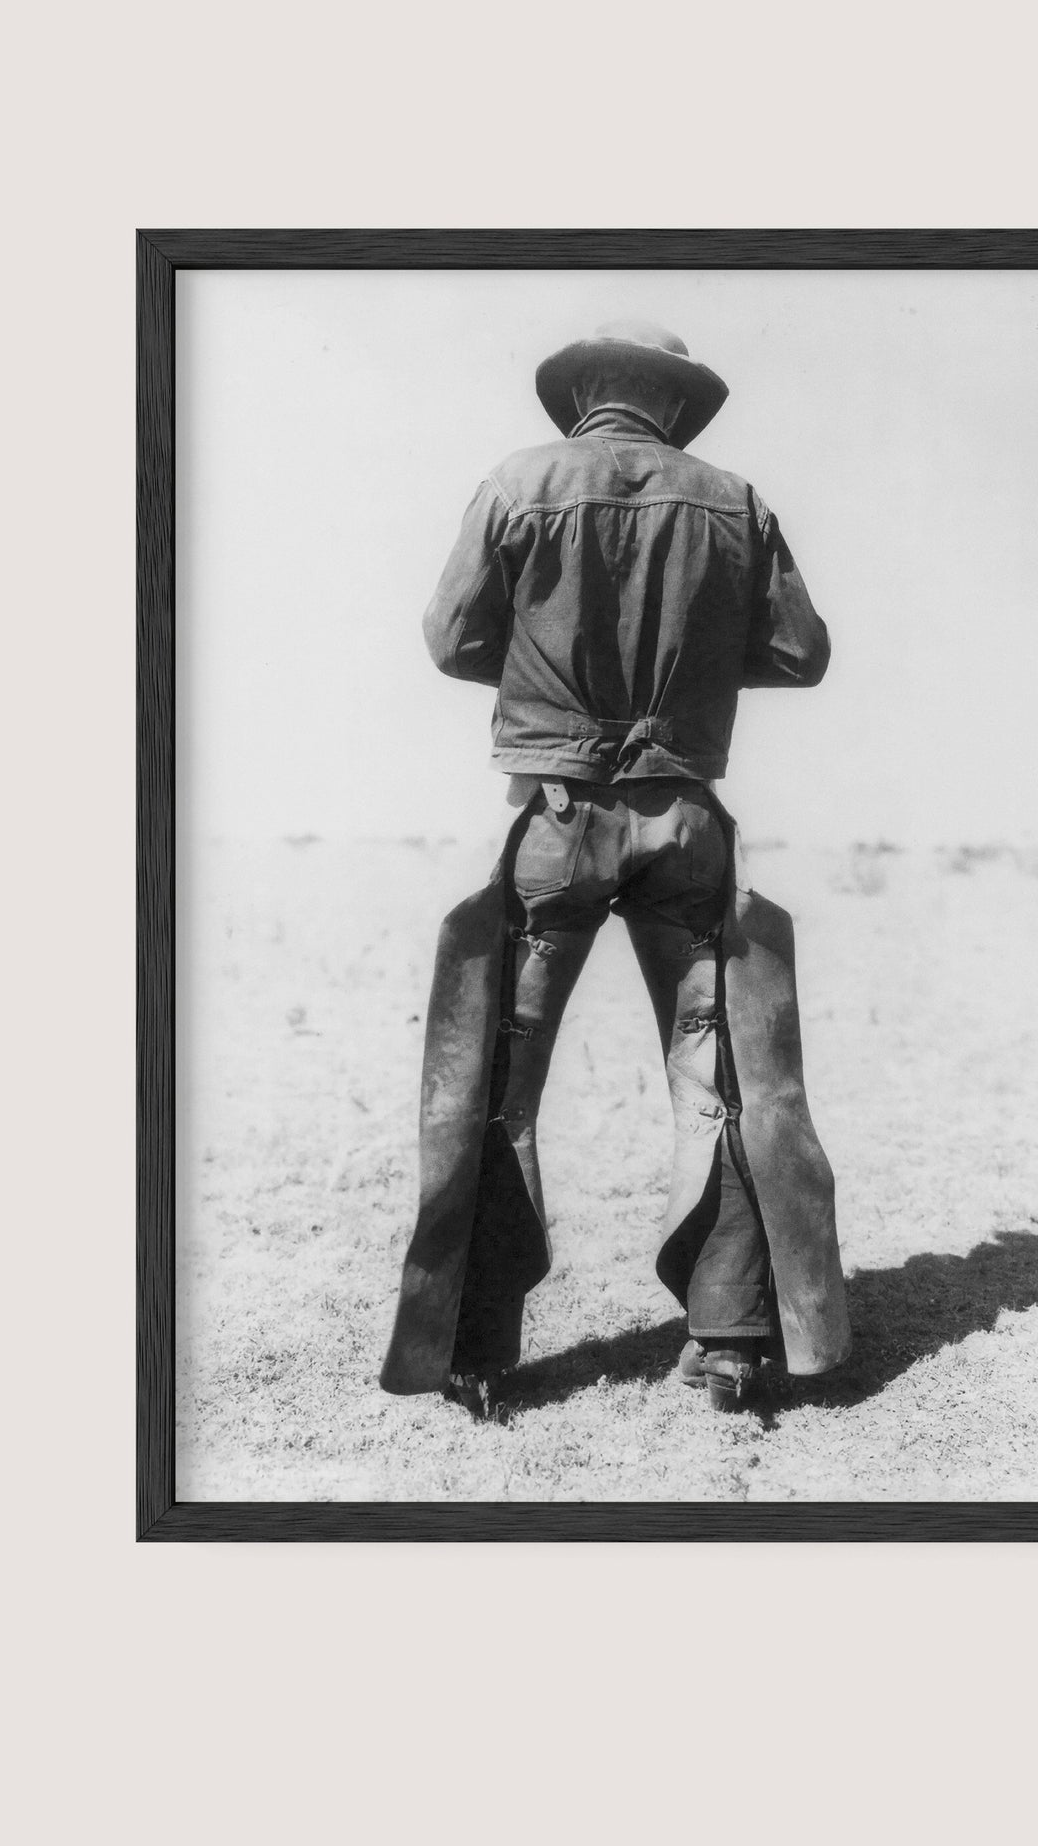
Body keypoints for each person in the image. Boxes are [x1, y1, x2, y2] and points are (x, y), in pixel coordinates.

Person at [379, 320, 850, 1414]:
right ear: (674, 404)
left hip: (553, 819)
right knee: (722, 1082)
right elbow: (799, 652)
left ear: (583, 394)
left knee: (497, 1085)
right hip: (685, 821)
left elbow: (451, 640)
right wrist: (687, 673)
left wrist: (553, 678)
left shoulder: (517, 478)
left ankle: (474, 1354)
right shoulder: (733, 498)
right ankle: (732, 1346)